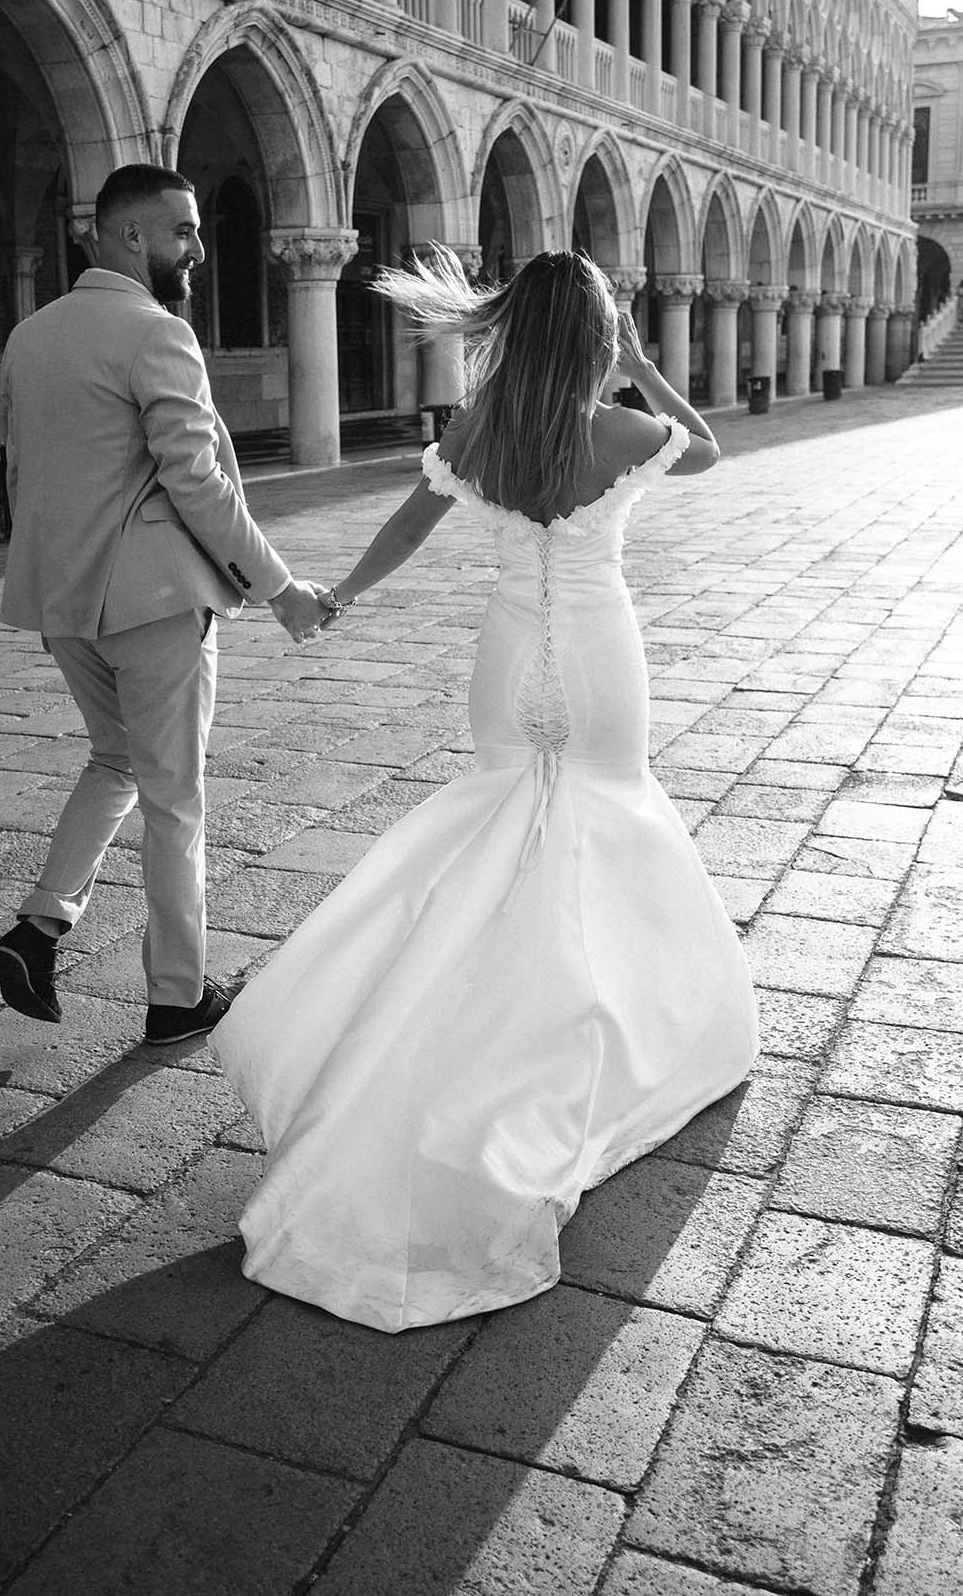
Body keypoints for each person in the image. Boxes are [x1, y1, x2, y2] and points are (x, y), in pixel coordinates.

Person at [212, 249, 760, 1331]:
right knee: (610, 822)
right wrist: (644, 368)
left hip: (508, 665)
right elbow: (705, 448)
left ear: (515, 329)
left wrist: (338, 598)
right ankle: (594, 1025)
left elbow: (409, 526)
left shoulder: (476, 431)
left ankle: (448, 1025)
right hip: (600, 657)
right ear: (597, 336)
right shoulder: (627, 431)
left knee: (500, 835)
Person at [0, 164, 326, 1047]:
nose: (198, 248)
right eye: (183, 230)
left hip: (61, 595)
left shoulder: (30, 335)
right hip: (151, 600)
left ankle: (40, 923)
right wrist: (282, 590)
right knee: (175, 800)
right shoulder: (155, 334)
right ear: (130, 235)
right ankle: (178, 997)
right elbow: (199, 482)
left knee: (114, 763)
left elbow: (20, 473)